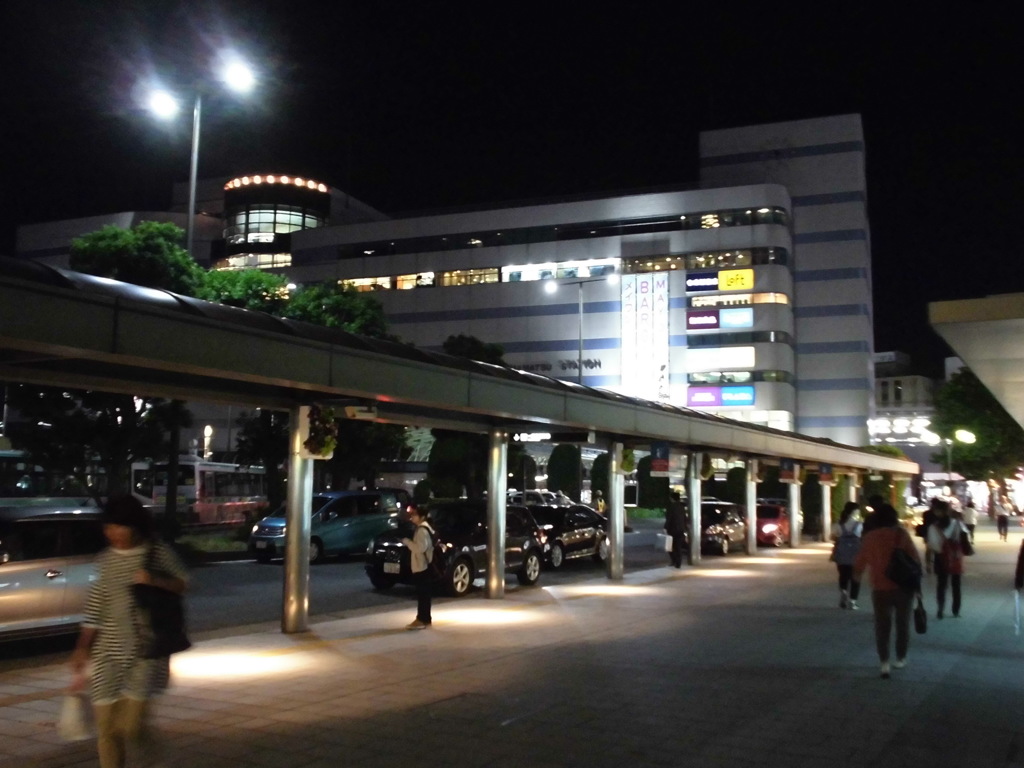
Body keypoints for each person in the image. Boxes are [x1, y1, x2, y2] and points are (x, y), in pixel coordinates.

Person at [69, 495, 189, 768]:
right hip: (107, 652)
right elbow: (95, 607)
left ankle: (159, 759)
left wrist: (154, 580)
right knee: (106, 729)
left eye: (120, 526)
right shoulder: (105, 560)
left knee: (131, 726)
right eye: (108, 527)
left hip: (146, 650)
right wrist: (81, 648)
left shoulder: (157, 553)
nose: (113, 534)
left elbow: (183, 584)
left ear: (135, 526)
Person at [853, 503, 922, 679]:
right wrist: (918, 586)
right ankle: (900, 657)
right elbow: (915, 561)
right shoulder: (902, 535)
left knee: (882, 626)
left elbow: (860, 562)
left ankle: (884, 662)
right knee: (902, 624)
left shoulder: (870, 537)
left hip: (879, 588)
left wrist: (856, 579)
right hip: (902, 587)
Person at [927, 499, 967, 619]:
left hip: (940, 558)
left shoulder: (933, 527)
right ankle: (956, 610)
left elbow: (932, 546)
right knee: (956, 585)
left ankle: (940, 609)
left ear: (938, 512)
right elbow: (965, 538)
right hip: (955, 557)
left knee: (941, 585)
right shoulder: (957, 524)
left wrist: (928, 562)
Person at [402, 505, 435, 630]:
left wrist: (407, 542)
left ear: (422, 517)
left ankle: (421, 619)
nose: (412, 516)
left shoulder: (421, 530)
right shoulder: (427, 528)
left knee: (422, 595)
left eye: (415, 515)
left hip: (422, 566)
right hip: (426, 565)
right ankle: (425, 619)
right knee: (425, 594)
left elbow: (420, 548)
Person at [831, 501, 863, 609]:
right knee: (855, 577)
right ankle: (853, 601)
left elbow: (833, 537)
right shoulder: (859, 525)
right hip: (856, 554)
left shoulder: (838, 525)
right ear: (855, 512)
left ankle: (844, 592)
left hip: (841, 553)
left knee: (843, 575)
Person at [664, 491, 688, 568]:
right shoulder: (682, 507)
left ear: (672, 498)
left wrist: (665, 527)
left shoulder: (671, 507)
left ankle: (674, 561)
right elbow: (685, 518)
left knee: (670, 546)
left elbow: (669, 518)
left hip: (672, 530)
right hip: (681, 529)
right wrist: (685, 528)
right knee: (678, 547)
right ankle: (678, 563)